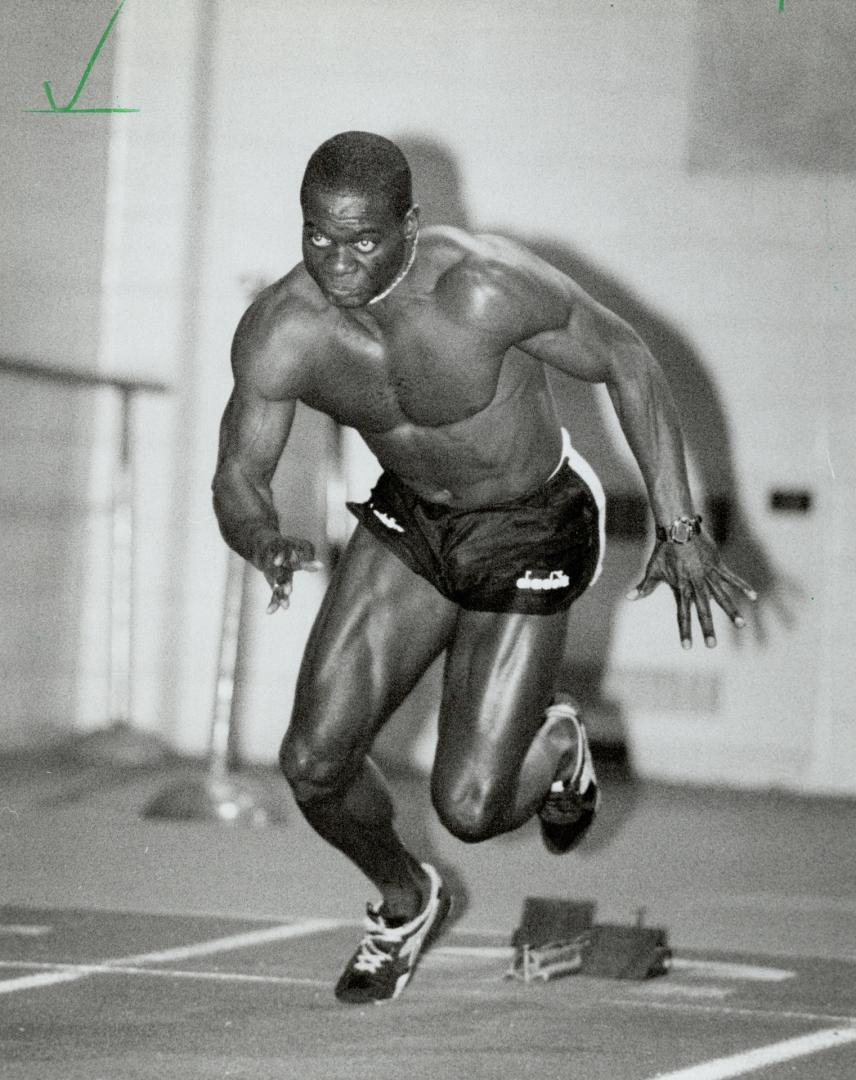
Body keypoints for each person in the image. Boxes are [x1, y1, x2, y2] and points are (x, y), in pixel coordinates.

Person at [211, 131, 756, 1004]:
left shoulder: (482, 287)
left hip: (531, 523)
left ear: (411, 227)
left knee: (469, 809)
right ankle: (404, 899)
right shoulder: (285, 329)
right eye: (317, 237)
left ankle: (562, 743)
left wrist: (679, 521)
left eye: (362, 241)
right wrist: (261, 535)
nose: (338, 263)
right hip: (414, 521)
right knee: (313, 763)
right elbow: (239, 475)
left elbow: (627, 358)